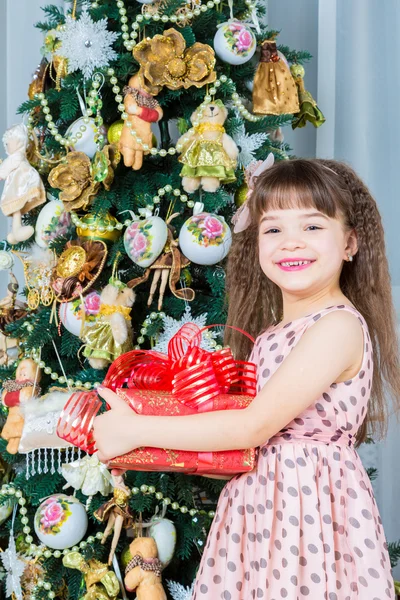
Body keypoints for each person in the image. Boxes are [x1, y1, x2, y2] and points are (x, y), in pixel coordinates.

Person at [93, 158, 400, 599]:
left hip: (307, 516)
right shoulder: (271, 336)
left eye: (312, 227)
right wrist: (141, 444)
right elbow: (245, 448)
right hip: (256, 516)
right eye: (273, 229)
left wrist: (136, 429)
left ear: (350, 242)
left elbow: (253, 426)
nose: (291, 243)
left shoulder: (337, 326)